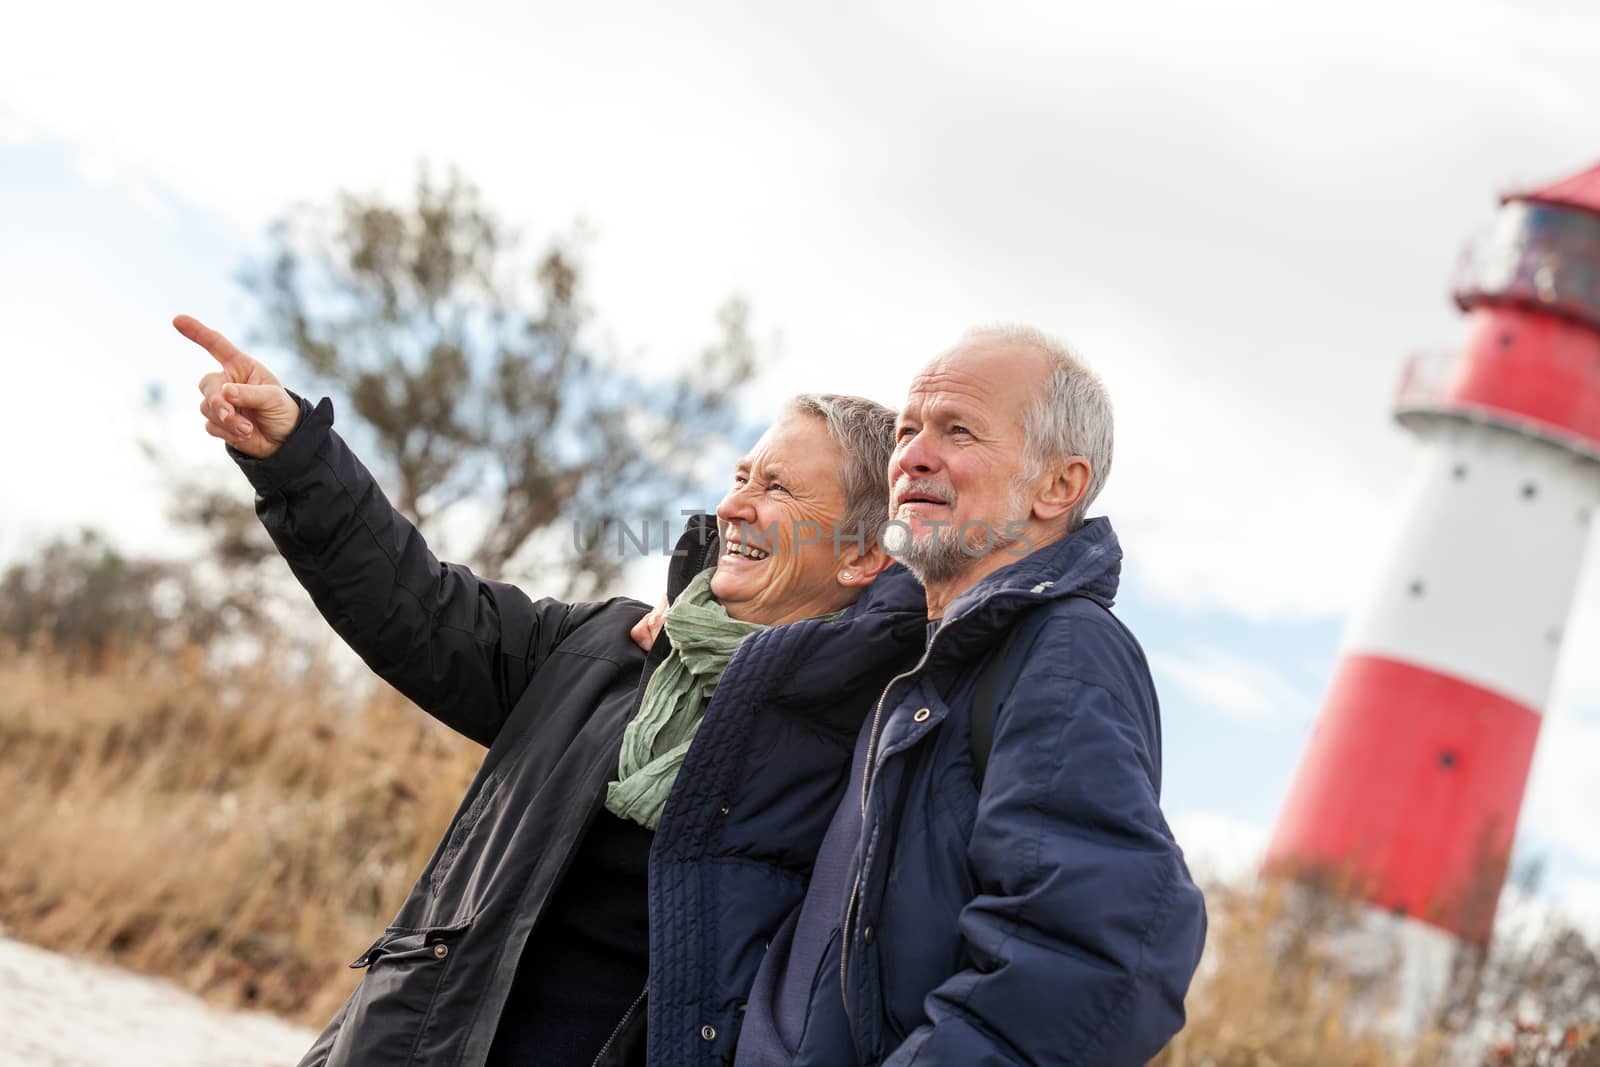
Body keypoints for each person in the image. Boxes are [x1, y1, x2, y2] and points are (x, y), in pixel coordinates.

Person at [174, 314, 927, 1067]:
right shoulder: (606, 648)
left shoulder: (874, 747)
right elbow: (419, 606)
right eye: (739, 477)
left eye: (777, 488)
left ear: (862, 555)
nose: (733, 507)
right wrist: (296, 456)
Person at [734, 326, 1208, 1066]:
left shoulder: (1063, 649)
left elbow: (1101, 956)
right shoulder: (906, 650)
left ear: (1060, 486)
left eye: (958, 430)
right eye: (907, 430)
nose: (913, 455)